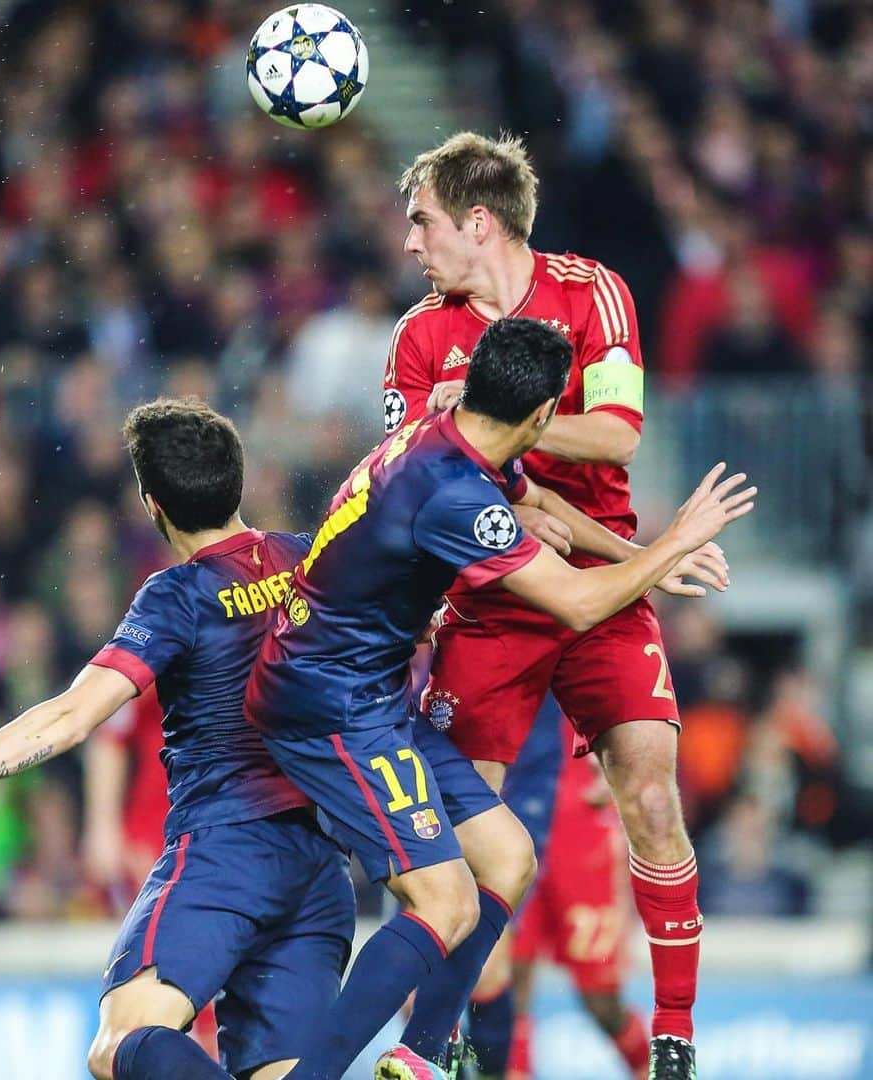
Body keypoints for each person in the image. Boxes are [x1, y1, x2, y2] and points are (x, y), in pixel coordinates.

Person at [245, 316, 754, 1080]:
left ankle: (420, 1056)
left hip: (367, 695)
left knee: (509, 857)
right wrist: (674, 541)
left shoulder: (457, 436)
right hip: (325, 707)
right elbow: (578, 605)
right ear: (544, 416)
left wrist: (639, 552)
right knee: (445, 898)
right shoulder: (453, 492)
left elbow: (543, 505)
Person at [0, 398, 356, 1080]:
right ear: (237, 478)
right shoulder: (305, 559)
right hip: (321, 861)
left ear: (152, 504)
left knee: (119, 1047)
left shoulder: (179, 595)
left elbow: (72, 717)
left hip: (229, 850)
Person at [383, 132, 716, 1079]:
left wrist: (491, 426)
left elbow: (615, 436)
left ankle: (674, 1037)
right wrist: (519, 481)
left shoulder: (593, 292)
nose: (412, 245)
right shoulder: (418, 336)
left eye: (423, 222)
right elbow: (423, 472)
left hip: (603, 597)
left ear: (477, 221)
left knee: (652, 792)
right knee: (460, 834)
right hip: (490, 597)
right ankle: (436, 1036)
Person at [502, 736, 650, 1080]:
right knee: (510, 977)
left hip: (584, 824)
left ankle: (652, 1069)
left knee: (600, 998)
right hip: (515, 810)